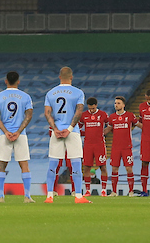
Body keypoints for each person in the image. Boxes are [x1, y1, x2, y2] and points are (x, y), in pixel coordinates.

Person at [44, 66, 88, 204]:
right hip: (72, 131)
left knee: (53, 163)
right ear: (71, 77)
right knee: (75, 163)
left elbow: (47, 113)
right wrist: (69, 128)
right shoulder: (78, 92)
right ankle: (79, 196)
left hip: (56, 132)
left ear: (59, 77)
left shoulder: (50, 93)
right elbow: (79, 111)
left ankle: (49, 196)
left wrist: (55, 129)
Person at [0, 71, 35, 204]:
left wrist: (6, 131)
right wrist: (18, 131)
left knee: (1, 165)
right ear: (18, 81)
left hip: (4, 135)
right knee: (24, 165)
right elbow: (28, 116)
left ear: (6, 81)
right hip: (20, 135)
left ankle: (0, 197)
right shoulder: (25, 97)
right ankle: (27, 197)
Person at [78, 97, 110, 197]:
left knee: (103, 166)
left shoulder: (103, 114)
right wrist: (84, 133)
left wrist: (103, 133)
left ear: (96, 105)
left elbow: (110, 125)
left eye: (93, 108)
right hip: (88, 145)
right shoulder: (84, 115)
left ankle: (104, 190)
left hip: (99, 144)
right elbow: (78, 128)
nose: (91, 110)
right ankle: (87, 190)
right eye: (89, 108)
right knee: (87, 167)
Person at [108, 96, 138, 196]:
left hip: (127, 147)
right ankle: (114, 191)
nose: (116, 105)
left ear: (123, 105)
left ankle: (131, 191)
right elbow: (108, 129)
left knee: (129, 169)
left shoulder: (130, 116)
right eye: (115, 103)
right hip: (115, 147)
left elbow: (139, 125)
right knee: (114, 169)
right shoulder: (112, 117)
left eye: (118, 103)